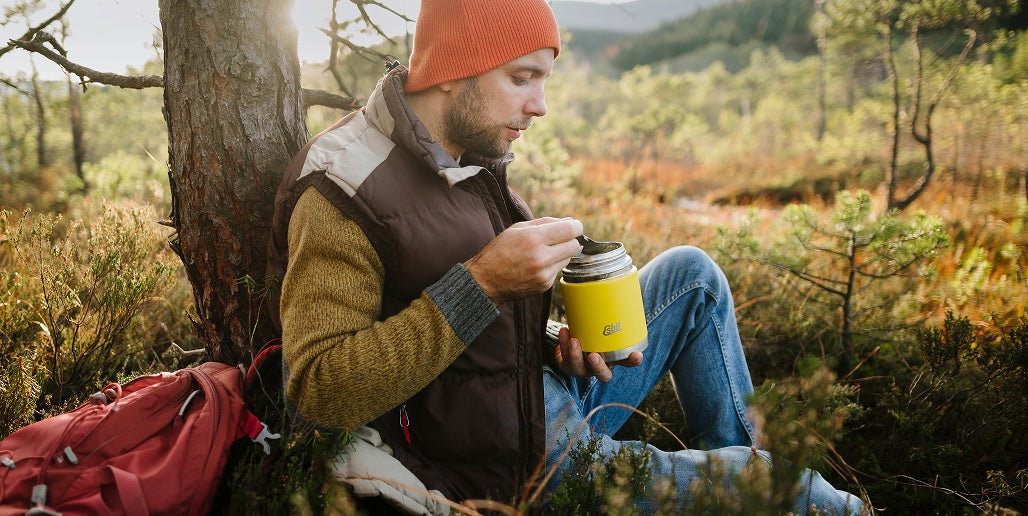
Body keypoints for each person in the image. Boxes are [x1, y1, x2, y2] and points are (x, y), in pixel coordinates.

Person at [265, 0, 865, 513]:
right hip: (513, 464)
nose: (540, 105)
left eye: (544, 80)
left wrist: (553, 342)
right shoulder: (344, 188)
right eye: (522, 78)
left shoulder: (468, 153)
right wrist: (484, 285)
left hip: (533, 400)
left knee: (694, 278)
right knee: (792, 491)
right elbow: (318, 391)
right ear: (453, 69)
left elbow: (464, 323)